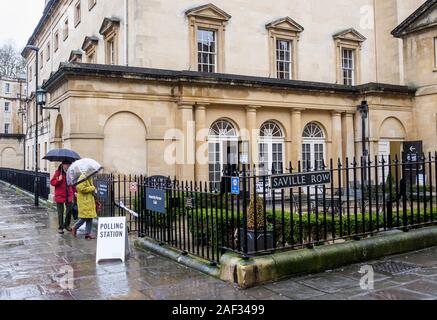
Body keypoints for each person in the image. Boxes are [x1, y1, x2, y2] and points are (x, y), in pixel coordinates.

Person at [50, 160, 75, 234]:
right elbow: (52, 182)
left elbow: (73, 183)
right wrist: (58, 180)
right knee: (60, 212)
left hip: (68, 195)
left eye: (69, 165)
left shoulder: (70, 173)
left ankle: (67, 225)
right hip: (60, 195)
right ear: (63, 165)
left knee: (69, 210)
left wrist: (74, 191)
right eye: (66, 165)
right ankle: (60, 227)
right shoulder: (58, 172)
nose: (68, 166)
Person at [71, 174, 97, 240]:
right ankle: (75, 227)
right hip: (84, 201)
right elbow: (80, 188)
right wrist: (92, 188)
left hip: (88, 200)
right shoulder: (83, 176)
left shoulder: (89, 176)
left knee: (90, 217)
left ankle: (87, 234)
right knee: (84, 217)